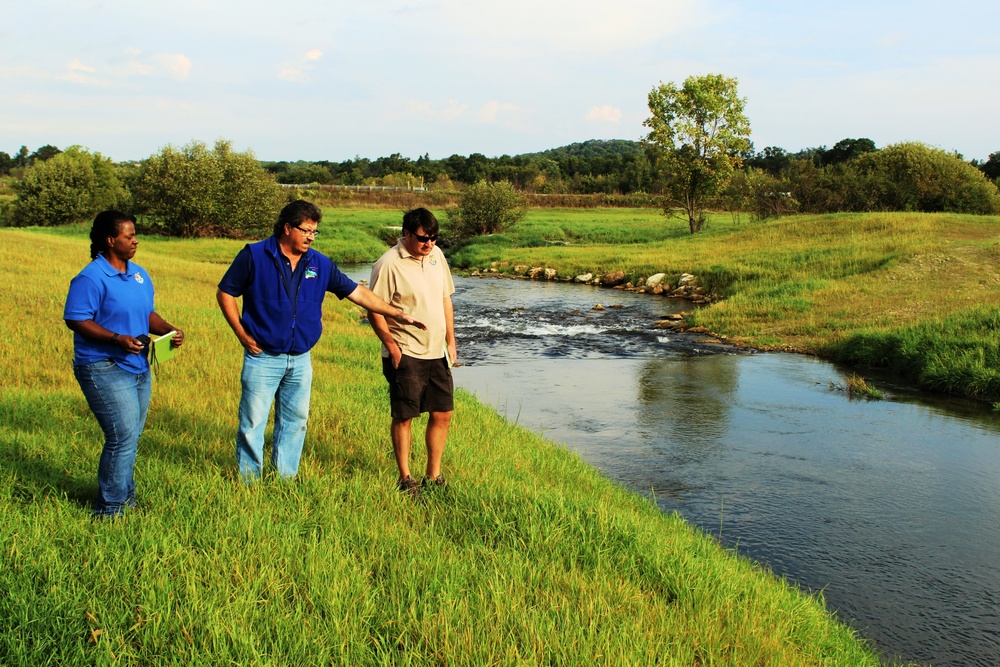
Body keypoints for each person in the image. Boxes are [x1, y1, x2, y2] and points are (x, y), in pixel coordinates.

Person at [217, 200, 425, 481]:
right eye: (306, 230)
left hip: (301, 358)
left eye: (315, 232)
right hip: (262, 356)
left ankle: (285, 478)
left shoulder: (319, 263)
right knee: (253, 423)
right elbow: (226, 292)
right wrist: (241, 333)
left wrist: (395, 313)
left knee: (295, 422)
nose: (311, 237)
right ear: (287, 228)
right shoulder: (254, 256)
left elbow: (357, 293)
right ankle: (248, 481)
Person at [64, 210, 185, 518]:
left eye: (135, 235)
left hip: (138, 365)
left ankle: (125, 499)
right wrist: (117, 338)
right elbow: (76, 318)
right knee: (122, 436)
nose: (135, 240)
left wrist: (169, 329)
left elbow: (147, 313)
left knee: (131, 435)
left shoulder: (139, 274)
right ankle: (110, 509)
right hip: (102, 365)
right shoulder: (91, 277)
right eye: (129, 236)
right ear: (110, 240)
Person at [368, 207, 457, 495]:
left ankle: (434, 475)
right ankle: (406, 479)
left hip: (436, 351)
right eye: (423, 238)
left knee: (443, 413)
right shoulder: (388, 264)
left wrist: (451, 342)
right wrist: (392, 347)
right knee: (405, 415)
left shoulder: (436, 255)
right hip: (405, 351)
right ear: (406, 234)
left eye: (434, 237)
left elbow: (445, 299)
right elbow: (374, 309)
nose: (429, 243)